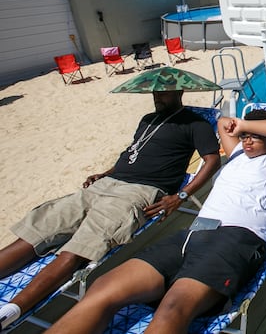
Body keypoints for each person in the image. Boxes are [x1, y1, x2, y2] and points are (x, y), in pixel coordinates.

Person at [47, 108, 266, 333]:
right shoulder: (236, 155)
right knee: (103, 288)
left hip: (237, 239)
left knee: (172, 308)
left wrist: (244, 125)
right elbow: (223, 122)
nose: (247, 141)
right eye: (244, 136)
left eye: (255, 136)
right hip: (192, 234)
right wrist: (242, 128)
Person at [0, 90, 221, 329]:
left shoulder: (196, 124)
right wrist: (106, 173)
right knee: (38, 230)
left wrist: (180, 196)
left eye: (163, 93)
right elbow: (132, 153)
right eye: (155, 92)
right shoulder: (148, 119)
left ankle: (10, 312)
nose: (157, 97)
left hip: (140, 191)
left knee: (80, 247)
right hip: (104, 185)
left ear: (179, 92)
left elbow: (212, 160)